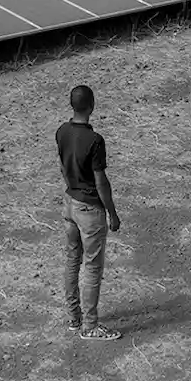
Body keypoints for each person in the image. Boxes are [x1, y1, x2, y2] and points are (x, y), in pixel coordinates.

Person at [56, 84, 122, 340]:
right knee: (93, 267)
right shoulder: (95, 141)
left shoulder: (62, 131)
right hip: (89, 210)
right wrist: (112, 213)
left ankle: (75, 317)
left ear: (72, 105)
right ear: (92, 106)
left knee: (73, 260)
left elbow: (62, 166)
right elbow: (101, 182)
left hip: (70, 203)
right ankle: (90, 326)